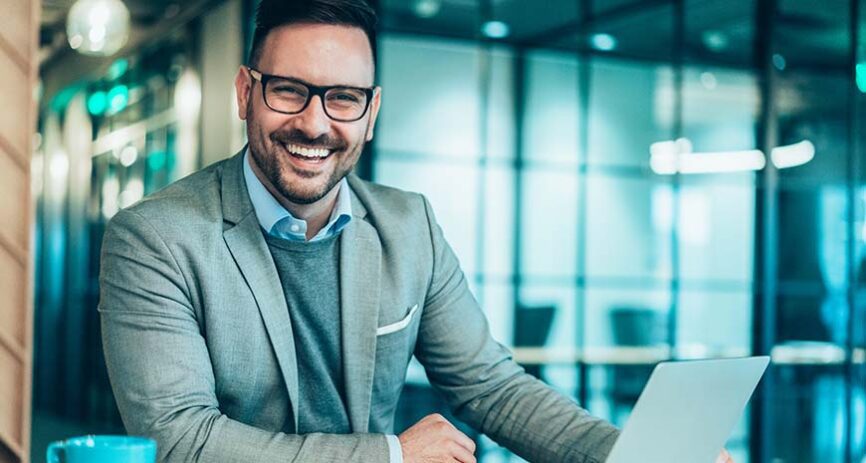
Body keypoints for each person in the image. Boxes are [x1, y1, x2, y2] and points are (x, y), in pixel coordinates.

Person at [98, 1, 733, 462]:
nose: (316, 124)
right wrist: (391, 458)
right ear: (245, 93)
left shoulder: (410, 225)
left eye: (344, 98)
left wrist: (636, 453)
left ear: (370, 112)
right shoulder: (155, 238)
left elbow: (492, 388)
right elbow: (181, 438)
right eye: (289, 91)